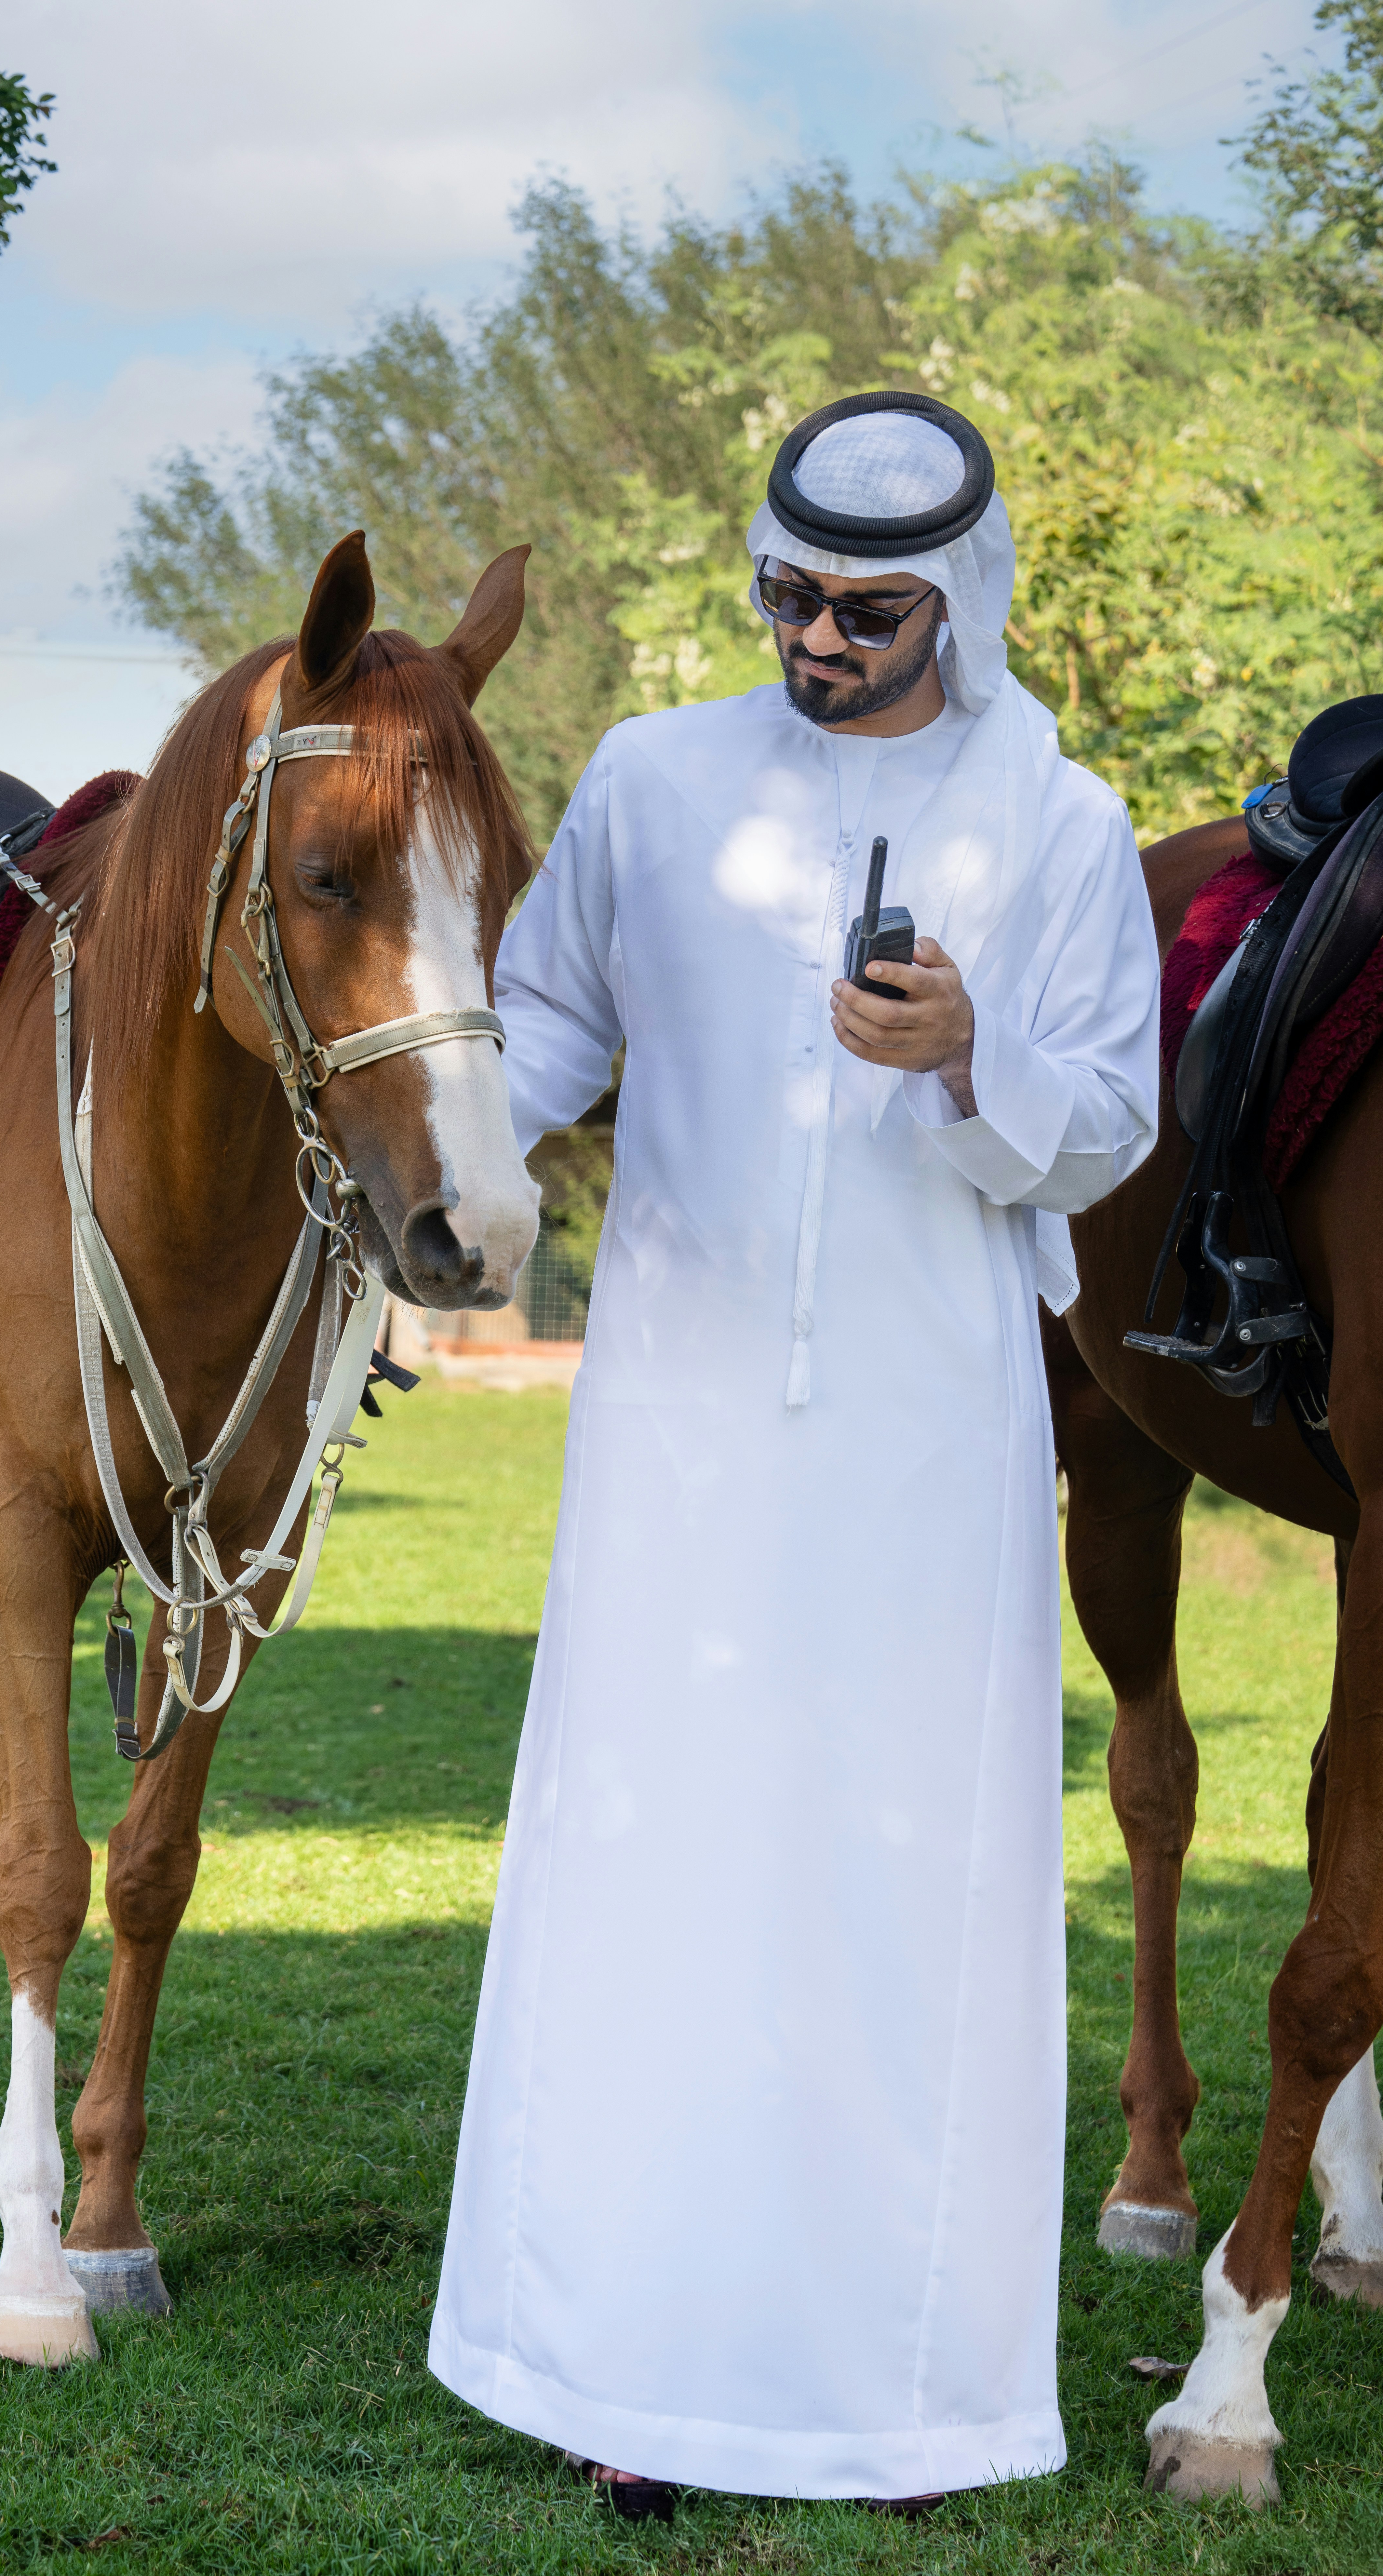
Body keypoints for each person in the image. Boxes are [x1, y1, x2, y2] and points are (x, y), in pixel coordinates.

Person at [427, 391, 1162, 2515]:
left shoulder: (1060, 818)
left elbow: (1107, 1119)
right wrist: (423, 1150)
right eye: (786, 597)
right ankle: (620, 2373)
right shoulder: (660, 783)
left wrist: (967, 1057)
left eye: (861, 611)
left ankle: (904, 2399)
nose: (814, 640)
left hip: (932, 1440)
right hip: (676, 1421)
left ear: (957, 602)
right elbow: (549, 1027)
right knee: (658, 1872)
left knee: (900, 1894)